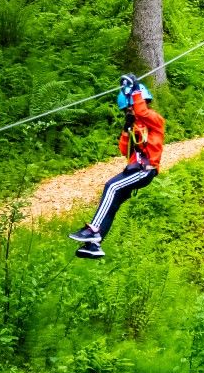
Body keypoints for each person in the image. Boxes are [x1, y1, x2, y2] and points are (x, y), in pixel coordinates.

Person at [70, 76, 165, 259]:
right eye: (127, 110)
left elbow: (143, 112)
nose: (131, 111)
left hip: (145, 170)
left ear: (142, 102)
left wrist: (135, 89)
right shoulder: (134, 125)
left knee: (111, 186)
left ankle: (93, 230)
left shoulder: (155, 121)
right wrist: (126, 128)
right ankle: (94, 246)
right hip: (135, 169)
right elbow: (124, 150)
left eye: (133, 107)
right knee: (112, 202)